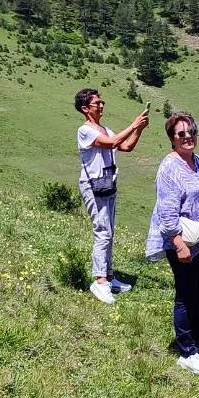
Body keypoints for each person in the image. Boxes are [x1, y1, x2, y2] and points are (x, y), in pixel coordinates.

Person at [145, 112, 199, 374]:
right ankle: (186, 351)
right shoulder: (169, 168)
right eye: (181, 133)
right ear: (172, 139)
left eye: (191, 131)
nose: (188, 136)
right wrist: (179, 244)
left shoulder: (198, 162)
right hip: (182, 242)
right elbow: (166, 213)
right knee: (185, 293)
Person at [74, 88, 148, 305]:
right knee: (102, 231)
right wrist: (133, 125)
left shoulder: (104, 128)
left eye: (101, 102)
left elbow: (125, 146)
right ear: (85, 108)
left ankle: (110, 277)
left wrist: (139, 129)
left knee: (109, 231)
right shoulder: (85, 130)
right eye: (97, 103)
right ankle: (100, 281)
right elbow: (112, 142)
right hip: (93, 185)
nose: (102, 105)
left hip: (107, 183)